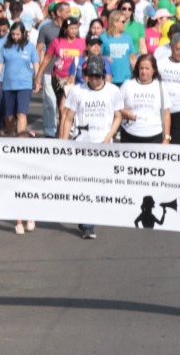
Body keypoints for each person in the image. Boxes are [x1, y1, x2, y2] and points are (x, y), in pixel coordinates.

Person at [59, 58, 122, 239]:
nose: (93, 80)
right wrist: (64, 141)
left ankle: (88, 221)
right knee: (83, 185)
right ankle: (87, 222)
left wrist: (108, 137)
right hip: (81, 144)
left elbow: (118, 116)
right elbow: (68, 117)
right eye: (90, 76)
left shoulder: (113, 91)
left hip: (103, 144)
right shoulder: (77, 91)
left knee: (97, 185)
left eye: (97, 76)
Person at [0, 22, 36, 140]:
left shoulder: (30, 47)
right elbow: (0, 64)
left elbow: (36, 63)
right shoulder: (6, 47)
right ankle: (11, 135)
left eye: (18, 34)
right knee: (9, 115)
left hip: (25, 84)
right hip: (8, 85)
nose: (15, 37)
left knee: (21, 113)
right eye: (13, 34)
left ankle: (21, 139)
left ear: (23, 34)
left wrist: (37, 78)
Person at [118, 51, 168, 144]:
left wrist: (167, 137)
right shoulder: (128, 84)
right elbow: (116, 107)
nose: (144, 71)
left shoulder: (160, 86)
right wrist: (124, 112)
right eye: (141, 68)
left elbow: (166, 113)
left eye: (147, 68)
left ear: (154, 70)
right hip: (130, 135)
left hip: (154, 136)